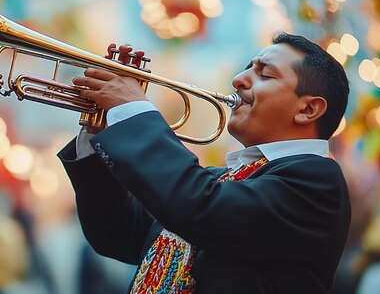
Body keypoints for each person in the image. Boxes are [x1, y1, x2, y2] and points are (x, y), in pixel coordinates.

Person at [58, 32, 351, 293]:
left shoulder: (317, 181)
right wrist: (99, 129)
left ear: (308, 108)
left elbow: (200, 206)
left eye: (266, 74)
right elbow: (117, 233)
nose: (239, 78)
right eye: (249, 66)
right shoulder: (224, 179)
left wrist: (134, 112)